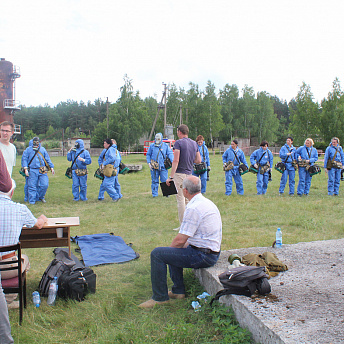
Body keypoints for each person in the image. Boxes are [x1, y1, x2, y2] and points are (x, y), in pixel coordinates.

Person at [138, 176, 222, 309]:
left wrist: (169, 254)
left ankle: (160, 298)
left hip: (204, 255)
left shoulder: (193, 207)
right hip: (210, 251)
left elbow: (180, 240)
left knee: (158, 254)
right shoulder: (206, 202)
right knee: (175, 251)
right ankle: (178, 291)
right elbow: (187, 238)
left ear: (185, 190)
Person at [0, 179, 48, 308]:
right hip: (8, 268)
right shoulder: (20, 209)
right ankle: (7, 301)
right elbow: (38, 225)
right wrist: (42, 219)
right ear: (12, 192)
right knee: (25, 260)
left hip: (6, 266)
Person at [166, 125, 201, 227]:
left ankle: (183, 225)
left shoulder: (178, 143)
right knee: (187, 199)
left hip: (179, 173)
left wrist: (171, 177)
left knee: (180, 199)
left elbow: (176, 160)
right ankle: (189, 222)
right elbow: (198, 160)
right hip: (189, 173)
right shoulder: (194, 143)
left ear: (179, 132)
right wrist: (190, 160)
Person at [21, 137, 55, 204]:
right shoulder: (28, 150)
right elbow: (24, 159)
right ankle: (32, 201)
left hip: (42, 169)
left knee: (44, 185)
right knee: (32, 186)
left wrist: (51, 167)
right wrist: (25, 169)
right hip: (32, 170)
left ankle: (40, 197)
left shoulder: (42, 149)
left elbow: (47, 158)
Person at [146, 133, 174, 197]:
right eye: (156, 138)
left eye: (158, 139)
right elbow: (148, 154)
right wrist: (149, 163)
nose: (157, 140)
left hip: (163, 166)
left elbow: (170, 153)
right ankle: (154, 194)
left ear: (161, 139)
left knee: (165, 180)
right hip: (154, 167)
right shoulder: (152, 146)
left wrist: (172, 161)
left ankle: (167, 194)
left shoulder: (165, 146)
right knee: (154, 180)